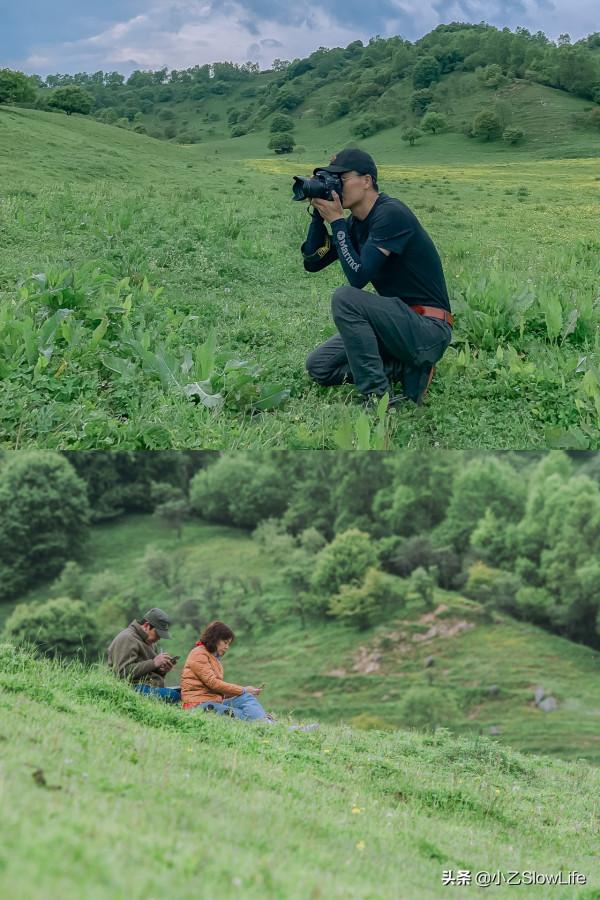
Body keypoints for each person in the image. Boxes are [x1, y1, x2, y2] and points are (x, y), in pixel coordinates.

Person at [301, 148, 453, 405]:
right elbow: (312, 263)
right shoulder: (354, 224)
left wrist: (337, 221)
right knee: (320, 366)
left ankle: (376, 396)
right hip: (395, 325)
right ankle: (405, 369)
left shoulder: (391, 214)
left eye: (342, 179)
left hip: (428, 329)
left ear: (367, 180)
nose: (336, 186)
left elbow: (358, 277)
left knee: (346, 298)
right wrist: (319, 215)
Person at [181, 620, 272, 720]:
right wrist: (243, 690)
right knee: (245, 714)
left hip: (212, 702)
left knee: (246, 698)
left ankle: (265, 720)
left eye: (228, 644)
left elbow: (216, 691)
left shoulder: (213, 658)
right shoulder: (198, 654)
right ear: (215, 639)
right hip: (198, 706)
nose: (227, 647)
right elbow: (213, 683)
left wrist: (244, 692)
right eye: (225, 642)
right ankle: (267, 722)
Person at [107, 607, 181, 703]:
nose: (159, 638)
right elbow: (122, 672)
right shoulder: (127, 638)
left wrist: (162, 670)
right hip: (129, 687)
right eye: (158, 634)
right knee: (173, 695)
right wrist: (154, 663)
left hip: (147, 686)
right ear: (146, 626)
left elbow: (149, 671)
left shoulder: (150, 642)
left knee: (181, 692)